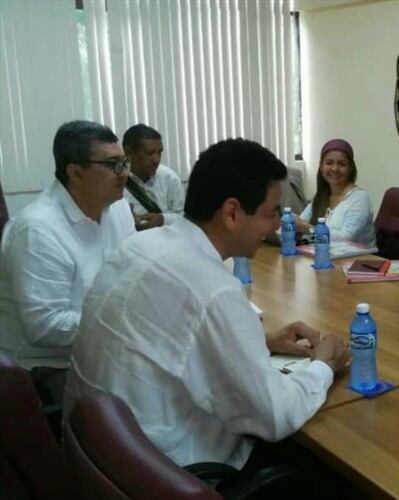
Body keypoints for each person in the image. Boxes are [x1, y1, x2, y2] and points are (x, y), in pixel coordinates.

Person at [64, 138, 350, 470]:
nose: (277, 225)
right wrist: (323, 366)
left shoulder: (139, 247)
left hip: (101, 459)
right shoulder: (214, 289)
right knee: (329, 460)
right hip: (170, 473)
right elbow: (277, 415)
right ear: (232, 213)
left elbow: (172, 342)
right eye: (271, 213)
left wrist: (261, 341)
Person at [0, 121, 134, 406]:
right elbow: (44, 327)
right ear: (75, 172)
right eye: (113, 165)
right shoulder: (37, 230)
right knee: (145, 403)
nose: (125, 174)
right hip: (49, 367)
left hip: (106, 345)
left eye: (124, 162)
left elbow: (131, 274)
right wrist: (125, 321)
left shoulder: (118, 208)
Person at [296, 139, 375, 246]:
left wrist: (309, 229)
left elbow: (347, 238)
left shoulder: (360, 198)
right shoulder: (321, 196)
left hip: (357, 255)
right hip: (322, 253)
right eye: (329, 163)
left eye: (342, 164)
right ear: (321, 166)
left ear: (350, 168)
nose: (334, 169)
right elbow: (300, 222)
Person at [122, 124, 185, 230]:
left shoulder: (170, 178)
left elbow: (184, 219)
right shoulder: (116, 181)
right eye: (150, 153)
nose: (156, 160)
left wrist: (162, 220)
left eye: (159, 153)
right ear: (129, 153)